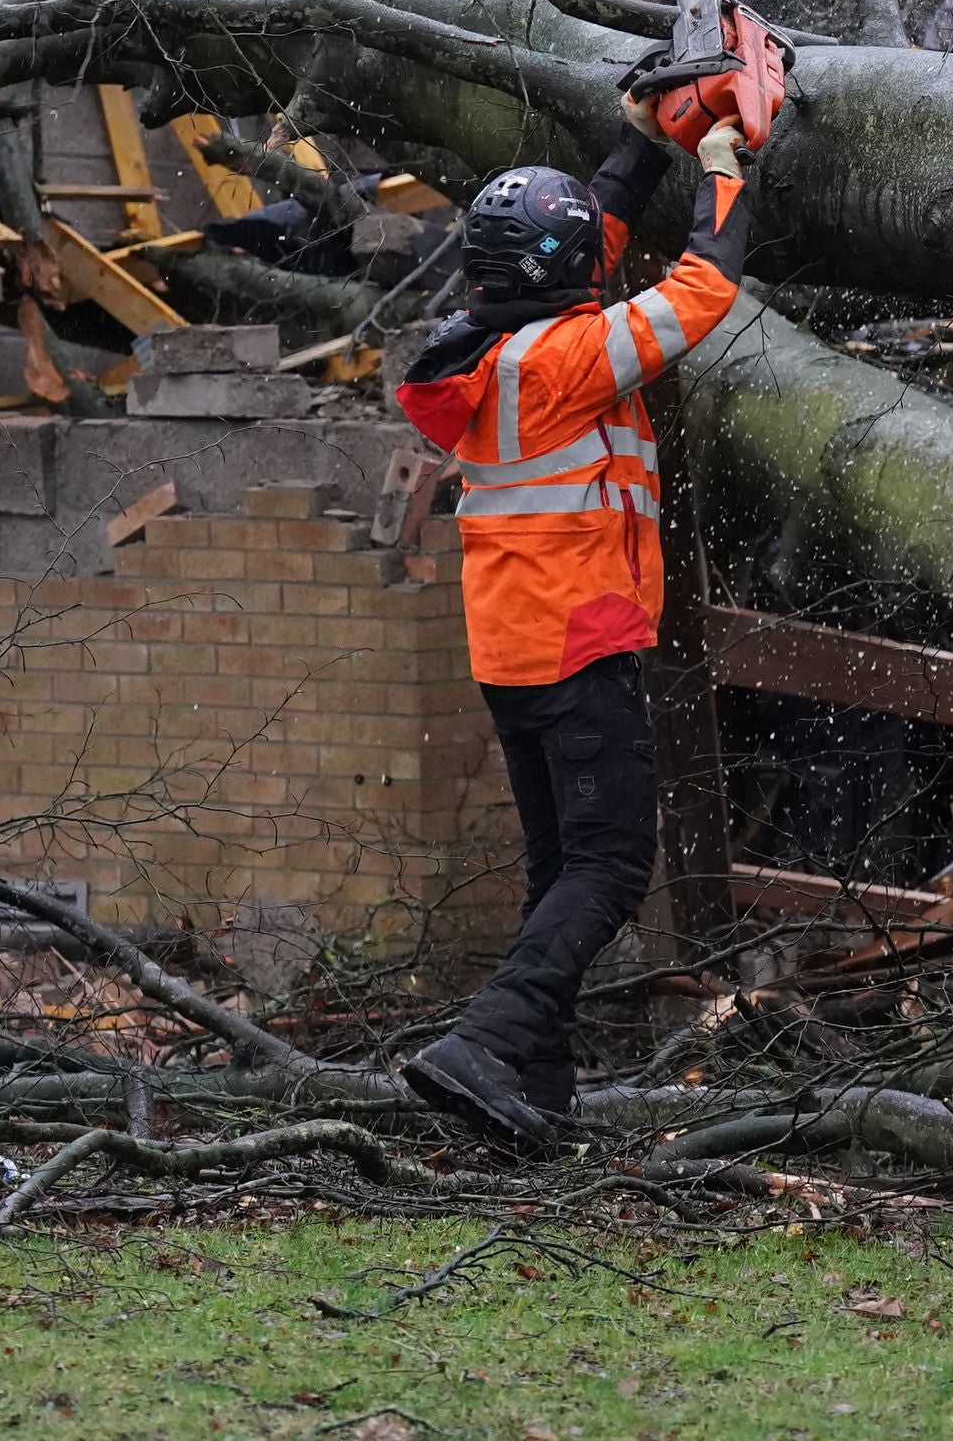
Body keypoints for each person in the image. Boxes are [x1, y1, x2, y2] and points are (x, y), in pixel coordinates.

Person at [388, 100, 754, 1151]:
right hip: (579, 642)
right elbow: (699, 292)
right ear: (563, 272)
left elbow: (581, 234)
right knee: (608, 868)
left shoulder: (489, 354)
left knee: (559, 872)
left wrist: (641, 140)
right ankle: (486, 1040)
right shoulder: (569, 357)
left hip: (513, 649)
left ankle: (529, 1095)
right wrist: (727, 174)